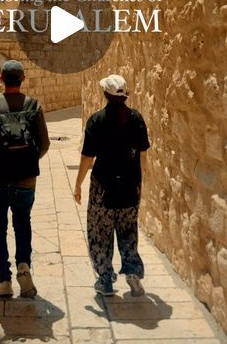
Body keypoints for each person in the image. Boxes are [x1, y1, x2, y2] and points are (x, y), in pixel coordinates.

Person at [0, 60, 50, 298]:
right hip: (26, 180)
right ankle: (24, 267)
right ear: (23, 78)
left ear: (0, 79)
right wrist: (28, 161)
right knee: (22, 222)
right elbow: (45, 143)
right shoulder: (34, 106)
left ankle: (4, 280)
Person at [74, 74, 150, 297]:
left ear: (105, 95)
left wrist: (78, 184)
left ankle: (105, 279)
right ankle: (133, 274)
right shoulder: (137, 119)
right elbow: (143, 155)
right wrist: (139, 181)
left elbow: (87, 157)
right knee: (128, 230)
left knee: (100, 232)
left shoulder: (96, 121)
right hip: (129, 186)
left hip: (102, 189)